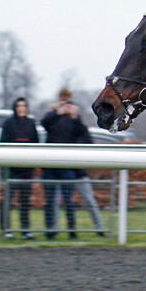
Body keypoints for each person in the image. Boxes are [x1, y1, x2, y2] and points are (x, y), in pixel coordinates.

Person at [41, 89, 87, 239]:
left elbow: (82, 133)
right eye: (62, 100)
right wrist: (58, 113)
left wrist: (74, 118)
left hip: (67, 163)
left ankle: (71, 229)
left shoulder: (74, 117)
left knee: (68, 199)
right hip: (50, 164)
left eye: (67, 100)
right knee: (50, 200)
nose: (65, 103)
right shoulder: (52, 115)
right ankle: (50, 229)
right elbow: (44, 124)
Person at [0, 97, 39, 239]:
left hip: (26, 169)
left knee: (25, 201)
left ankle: (25, 230)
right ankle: (6, 229)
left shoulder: (30, 123)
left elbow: (35, 143)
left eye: (24, 105)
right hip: (12, 169)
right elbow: (3, 143)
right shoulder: (8, 123)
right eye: (19, 106)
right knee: (8, 201)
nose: (21, 108)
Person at [57, 126, 106, 237]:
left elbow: (89, 144)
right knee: (63, 202)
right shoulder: (60, 129)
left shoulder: (81, 129)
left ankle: (100, 228)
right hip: (65, 173)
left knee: (90, 201)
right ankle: (70, 230)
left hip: (80, 174)